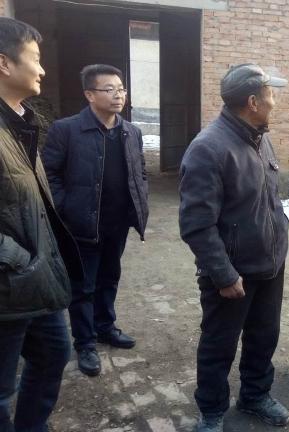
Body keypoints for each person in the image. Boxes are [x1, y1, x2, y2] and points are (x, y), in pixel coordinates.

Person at [179, 64, 289, 432]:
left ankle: (255, 395)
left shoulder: (260, 137)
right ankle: (211, 410)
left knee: (264, 336)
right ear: (253, 102)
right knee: (219, 344)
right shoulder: (208, 148)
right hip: (233, 272)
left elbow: (268, 199)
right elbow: (196, 224)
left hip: (269, 264)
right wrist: (224, 275)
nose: (275, 101)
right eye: (270, 95)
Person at [0, 17, 82, 431]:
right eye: (35, 58)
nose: (43, 70)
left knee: (52, 355)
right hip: (8, 285)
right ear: (4, 63)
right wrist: (19, 260)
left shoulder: (19, 122)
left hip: (35, 283)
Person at [42, 64, 149, 377]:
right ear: (90, 95)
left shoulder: (131, 132)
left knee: (109, 278)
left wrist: (139, 200)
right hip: (81, 226)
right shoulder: (67, 130)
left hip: (117, 223)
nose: (118, 95)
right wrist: (66, 208)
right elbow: (49, 173)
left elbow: (140, 171)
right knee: (83, 287)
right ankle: (85, 343)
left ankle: (106, 327)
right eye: (109, 89)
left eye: (121, 89)